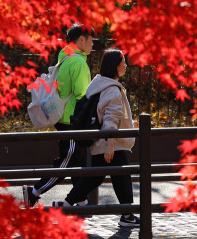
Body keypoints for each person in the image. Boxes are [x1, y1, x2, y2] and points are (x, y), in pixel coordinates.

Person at [51, 49, 141, 227]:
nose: (126, 65)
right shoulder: (113, 90)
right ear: (115, 66)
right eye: (123, 62)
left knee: (100, 176)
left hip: (105, 141)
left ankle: (67, 205)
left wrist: (129, 124)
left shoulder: (100, 84)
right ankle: (127, 216)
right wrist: (110, 145)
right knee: (119, 175)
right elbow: (110, 120)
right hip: (112, 143)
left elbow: (109, 116)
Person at [23, 23, 94, 207]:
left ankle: (80, 199)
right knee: (67, 162)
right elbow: (82, 94)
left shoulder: (65, 57)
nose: (93, 44)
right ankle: (34, 192)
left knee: (76, 161)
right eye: (91, 40)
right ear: (81, 39)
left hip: (63, 117)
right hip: (72, 120)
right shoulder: (78, 61)